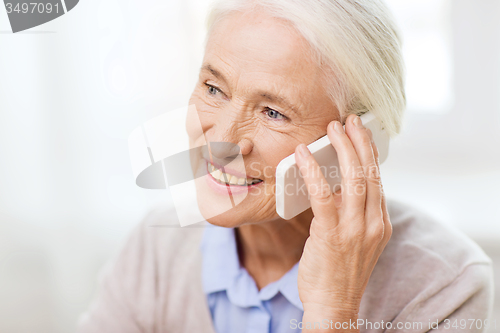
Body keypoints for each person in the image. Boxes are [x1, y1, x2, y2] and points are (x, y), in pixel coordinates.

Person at [77, 0, 493, 332]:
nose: (221, 140)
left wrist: (334, 315)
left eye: (273, 112)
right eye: (213, 88)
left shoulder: (442, 285)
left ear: (358, 138)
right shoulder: (155, 252)